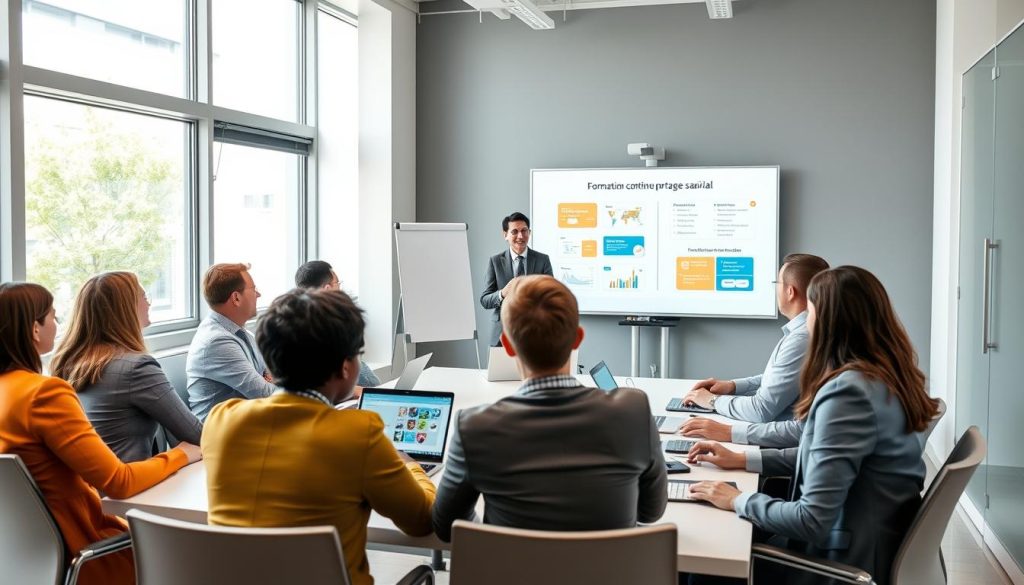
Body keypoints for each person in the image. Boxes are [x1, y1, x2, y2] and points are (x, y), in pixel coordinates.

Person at [683, 266, 940, 585]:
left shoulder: (848, 394)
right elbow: (827, 457)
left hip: (834, 562)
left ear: (830, 323)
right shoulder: (890, 380)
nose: (807, 323)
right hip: (870, 542)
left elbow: (812, 520)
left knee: (703, 564)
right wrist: (743, 459)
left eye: (812, 312)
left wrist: (735, 499)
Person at [202, 288, 435, 585]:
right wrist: (408, 463)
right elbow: (422, 520)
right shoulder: (357, 434)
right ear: (346, 367)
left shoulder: (222, 419)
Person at [433, 275, 667, 541]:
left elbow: (446, 526)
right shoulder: (633, 411)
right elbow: (650, 513)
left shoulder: (474, 427)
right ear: (577, 338)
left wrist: (488, 536)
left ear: (507, 345)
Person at [0, 282, 201, 585]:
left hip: (25, 560)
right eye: (52, 317)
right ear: (34, 330)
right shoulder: (43, 393)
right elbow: (118, 482)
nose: (57, 324)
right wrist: (180, 454)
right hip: (92, 552)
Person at [50, 272, 202, 462]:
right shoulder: (136, 368)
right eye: (144, 297)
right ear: (126, 308)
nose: (149, 303)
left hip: (92, 485)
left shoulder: (69, 362)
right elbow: (196, 435)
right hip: (132, 485)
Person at [679, 253, 829, 443]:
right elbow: (780, 378)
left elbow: (761, 410)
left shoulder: (802, 338)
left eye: (777, 283)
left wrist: (712, 401)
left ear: (790, 291)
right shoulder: (802, 332)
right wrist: (733, 386)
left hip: (781, 443)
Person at [186, 263, 277, 421]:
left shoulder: (242, 333)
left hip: (246, 426)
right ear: (236, 298)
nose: (259, 294)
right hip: (219, 438)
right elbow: (266, 394)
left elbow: (271, 376)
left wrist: (268, 379)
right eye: (253, 289)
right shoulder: (217, 341)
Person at [294, 260, 380, 387]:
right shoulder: (331, 327)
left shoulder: (290, 323)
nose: (340, 288)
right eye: (337, 283)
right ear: (328, 288)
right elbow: (370, 384)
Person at [479, 212, 553, 347]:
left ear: (529, 233)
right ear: (505, 235)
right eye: (514, 231)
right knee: (501, 369)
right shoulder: (495, 261)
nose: (520, 236)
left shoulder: (543, 260)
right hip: (501, 336)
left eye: (524, 231)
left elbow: (551, 297)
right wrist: (502, 293)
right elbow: (484, 300)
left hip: (534, 333)